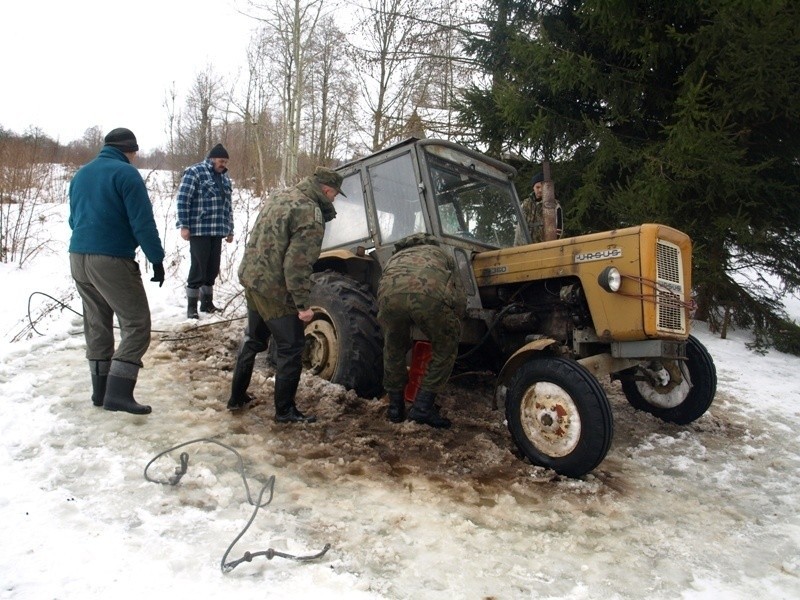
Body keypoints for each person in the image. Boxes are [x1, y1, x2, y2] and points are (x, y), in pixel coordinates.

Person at [231, 166, 343, 422]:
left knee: (253, 339)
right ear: (326, 190)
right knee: (292, 347)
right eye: (335, 195)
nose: (334, 200)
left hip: (253, 279)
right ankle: (284, 411)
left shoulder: (281, 196)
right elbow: (297, 264)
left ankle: (236, 397)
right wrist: (303, 305)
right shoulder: (311, 213)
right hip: (275, 289)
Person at [68, 127, 166, 415]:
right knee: (136, 325)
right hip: (111, 259)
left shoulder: (81, 173)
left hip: (78, 257)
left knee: (97, 323)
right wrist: (156, 258)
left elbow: (74, 219)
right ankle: (118, 394)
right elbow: (142, 222)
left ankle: (100, 393)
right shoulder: (126, 174)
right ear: (131, 150)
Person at [376, 233, 467, 429]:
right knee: (445, 347)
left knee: (393, 350)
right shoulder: (441, 255)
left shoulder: (395, 258)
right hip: (429, 299)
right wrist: (454, 319)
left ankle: (395, 409)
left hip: (390, 300)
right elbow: (458, 292)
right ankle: (422, 407)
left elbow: (383, 285)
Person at [176, 143, 234, 319]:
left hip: (217, 230)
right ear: (212, 159)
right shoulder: (195, 172)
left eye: (225, 161)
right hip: (199, 229)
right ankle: (191, 307)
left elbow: (228, 206)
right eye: (221, 160)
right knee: (198, 267)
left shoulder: (224, 178)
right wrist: (184, 225)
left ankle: (207, 304)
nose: (223, 164)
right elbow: (183, 199)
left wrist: (230, 229)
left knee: (212, 268)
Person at [519, 172, 563, 243]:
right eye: (537, 187)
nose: (540, 190)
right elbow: (519, 226)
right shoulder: (525, 204)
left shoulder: (554, 204)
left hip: (544, 246)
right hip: (526, 246)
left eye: (542, 187)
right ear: (533, 187)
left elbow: (559, 229)